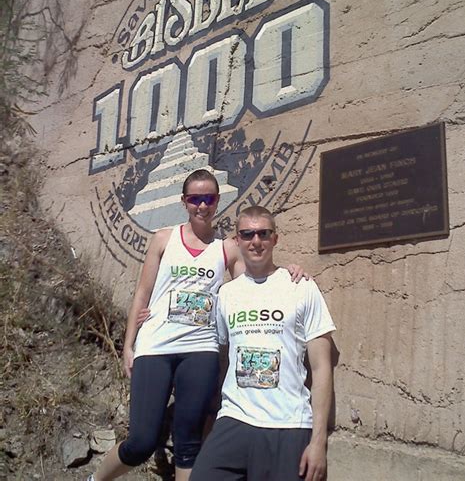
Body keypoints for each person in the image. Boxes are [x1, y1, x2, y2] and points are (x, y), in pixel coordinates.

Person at [88, 170, 306, 481]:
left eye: (209, 199)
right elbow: (142, 292)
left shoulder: (227, 248)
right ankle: (95, 479)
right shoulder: (163, 239)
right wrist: (128, 344)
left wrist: (289, 272)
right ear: (184, 202)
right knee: (140, 442)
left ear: (218, 201)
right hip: (156, 346)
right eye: (195, 199)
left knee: (189, 444)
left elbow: (255, 282)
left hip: (200, 350)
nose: (202, 206)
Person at [190, 205, 336, 481]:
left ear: (275, 239)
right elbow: (207, 344)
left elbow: (321, 368)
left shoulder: (301, 287)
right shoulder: (227, 294)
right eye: (247, 234)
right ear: (237, 240)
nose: (255, 241)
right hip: (235, 419)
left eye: (263, 234)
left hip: (289, 424)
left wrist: (318, 443)